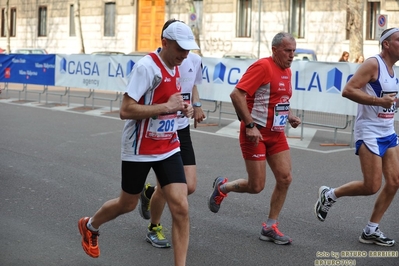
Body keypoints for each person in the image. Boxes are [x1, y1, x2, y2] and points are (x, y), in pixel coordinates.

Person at [77, 20, 200, 266]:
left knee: (181, 207)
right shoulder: (146, 67)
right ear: (165, 43)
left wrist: (182, 107)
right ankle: (90, 225)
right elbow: (125, 110)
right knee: (127, 204)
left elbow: (168, 100)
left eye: (188, 50)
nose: (185, 55)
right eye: (180, 49)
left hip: (167, 145)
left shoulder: (176, 64)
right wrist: (167, 107)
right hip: (139, 148)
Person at [207, 32, 301, 245]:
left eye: (294, 51)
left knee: (285, 178)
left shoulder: (287, 71)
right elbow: (236, 95)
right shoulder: (263, 67)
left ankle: (270, 226)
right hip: (255, 134)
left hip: (276, 135)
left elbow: (280, 99)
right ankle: (222, 188)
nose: (292, 55)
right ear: (275, 50)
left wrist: (290, 116)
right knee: (256, 186)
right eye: (288, 51)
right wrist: (250, 126)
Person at [314, 27, 399, 247]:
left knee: (395, 181)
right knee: (372, 186)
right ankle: (330, 195)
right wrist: (380, 102)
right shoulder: (373, 64)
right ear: (386, 44)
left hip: (387, 131)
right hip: (369, 130)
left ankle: (371, 229)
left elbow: (386, 96)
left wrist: (391, 102)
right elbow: (348, 90)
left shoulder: (393, 68)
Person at [138, 19, 205, 248]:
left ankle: (150, 192)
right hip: (161, 131)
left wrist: (196, 105)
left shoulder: (193, 60)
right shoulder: (156, 64)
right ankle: (154, 227)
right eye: (180, 47)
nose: (184, 52)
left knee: (190, 186)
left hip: (181, 128)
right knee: (169, 188)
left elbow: (192, 86)